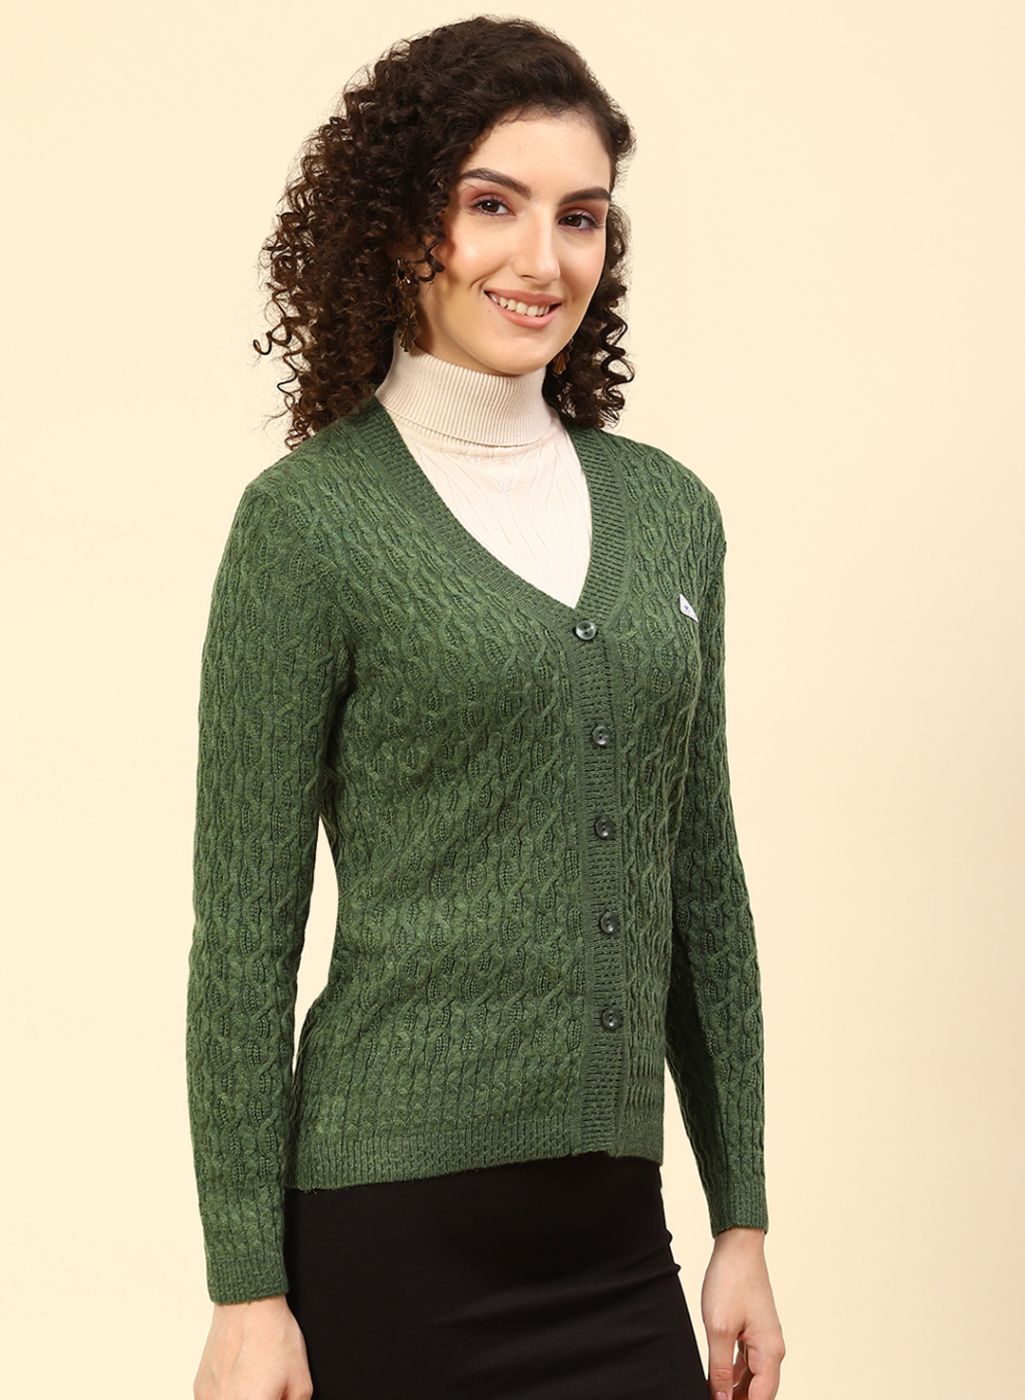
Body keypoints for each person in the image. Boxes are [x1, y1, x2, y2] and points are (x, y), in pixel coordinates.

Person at [186, 15, 786, 1400]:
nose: (543, 259)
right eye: (492, 205)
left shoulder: (667, 513)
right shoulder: (308, 524)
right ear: (406, 225)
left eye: (580, 217)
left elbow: (702, 882)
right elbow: (244, 939)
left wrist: (741, 1220)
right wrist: (245, 1289)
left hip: (614, 1240)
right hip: (387, 1235)